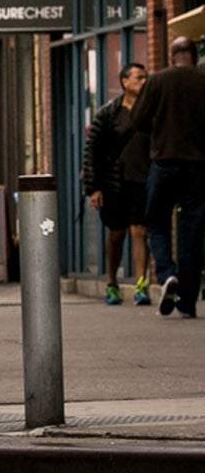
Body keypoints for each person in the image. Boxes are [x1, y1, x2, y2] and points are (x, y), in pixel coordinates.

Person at [133, 35, 205, 318]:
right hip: (199, 167)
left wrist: (159, 128)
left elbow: (137, 119)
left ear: (172, 55)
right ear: (195, 56)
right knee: (193, 233)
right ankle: (187, 301)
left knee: (157, 222)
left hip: (164, 163)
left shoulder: (158, 81)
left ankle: (166, 274)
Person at [83, 61, 154, 306]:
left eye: (145, 78)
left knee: (139, 231)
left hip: (142, 180)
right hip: (114, 182)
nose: (144, 82)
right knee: (117, 233)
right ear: (125, 82)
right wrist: (93, 188)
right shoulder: (107, 113)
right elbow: (92, 151)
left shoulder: (151, 110)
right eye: (139, 78)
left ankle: (141, 286)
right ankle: (112, 282)